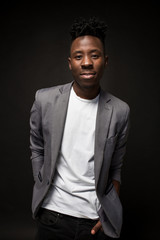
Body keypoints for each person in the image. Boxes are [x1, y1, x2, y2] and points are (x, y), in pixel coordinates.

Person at [30, 17, 130, 240]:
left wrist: (107, 214)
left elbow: (115, 167)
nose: (86, 62)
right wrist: (41, 179)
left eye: (94, 55)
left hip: (94, 220)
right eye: (78, 56)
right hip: (52, 216)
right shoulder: (44, 100)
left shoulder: (120, 110)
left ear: (105, 61)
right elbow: (37, 146)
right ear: (70, 62)